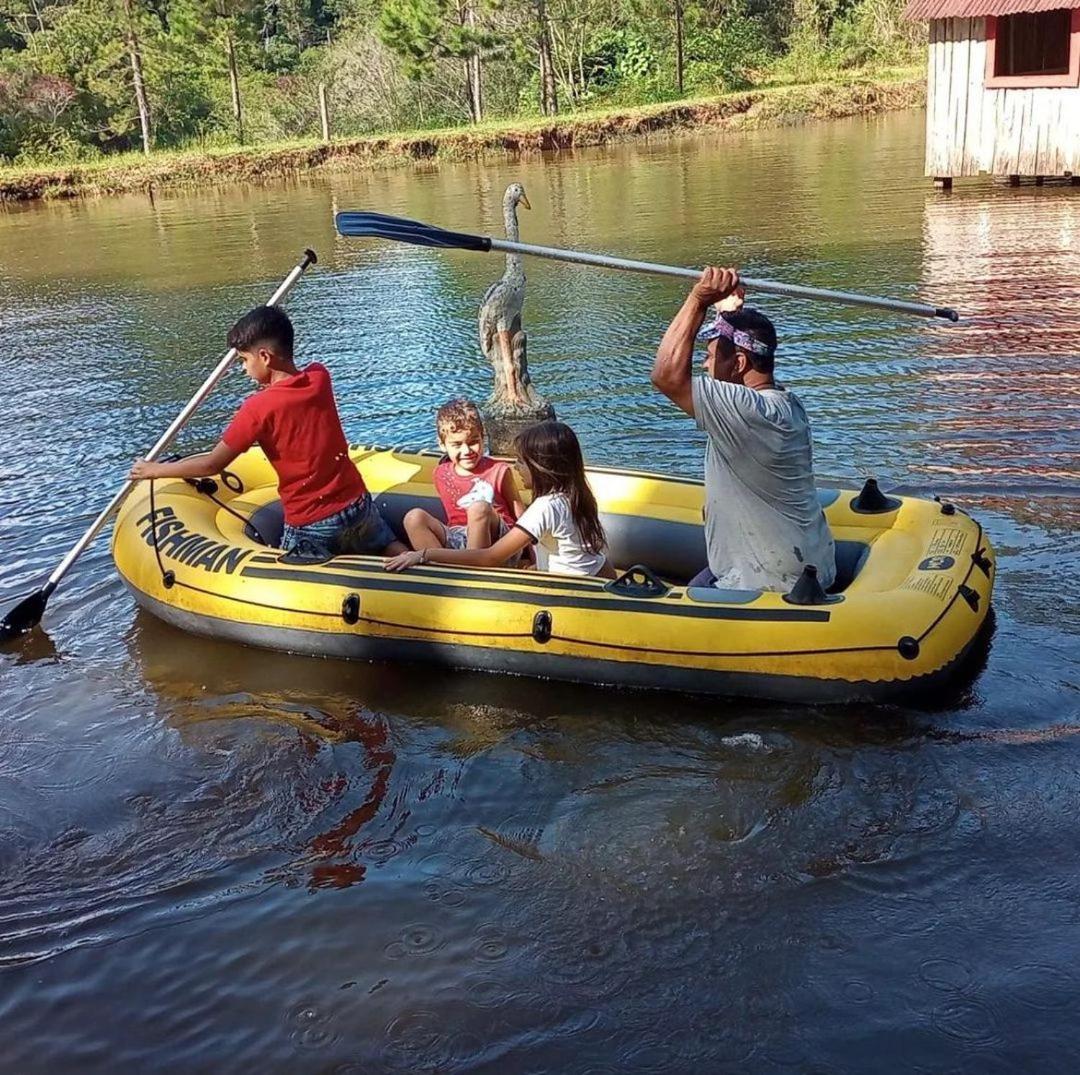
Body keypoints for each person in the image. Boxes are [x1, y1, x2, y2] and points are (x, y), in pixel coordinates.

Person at [130, 305, 405, 558]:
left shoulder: (257, 409)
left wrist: (153, 470)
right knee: (388, 546)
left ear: (264, 356)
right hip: (356, 505)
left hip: (312, 521)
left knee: (288, 577)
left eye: (243, 360)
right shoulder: (320, 377)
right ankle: (421, 567)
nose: (242, 368)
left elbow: (212, 464)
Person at [651, 267, 835, 592]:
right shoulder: (783, 404)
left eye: (709, 358)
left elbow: (666, 375)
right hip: (803, 567)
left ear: (738, 364)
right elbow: (728, 360)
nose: (704, 366)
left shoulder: (750, 412)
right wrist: (729, 314)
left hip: (769, 585)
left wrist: (699, 299)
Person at [386, 420, 617, 579]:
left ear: (541, 467)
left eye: (521, 462)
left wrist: (423, 555)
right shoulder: (577, 495)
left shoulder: (546, 506)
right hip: (593, 580)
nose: (516, 468)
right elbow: (589, 558)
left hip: (570, 592)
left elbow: (490, 557)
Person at [403, 399, 524, 558]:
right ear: (442, 445)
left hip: (500, 544)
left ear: (483, 438)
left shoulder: (499, 470)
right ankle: (440, 573)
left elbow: (523, 519)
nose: (466, 450)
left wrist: (535, 560)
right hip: (458, 537)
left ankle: (472, 573)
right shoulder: (441, 473)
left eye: (473, 442)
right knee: (413, 517)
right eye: (457, 444)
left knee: (478, 507)